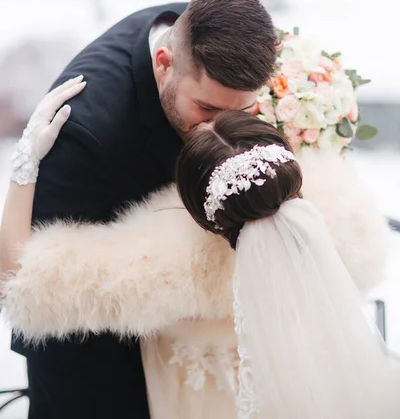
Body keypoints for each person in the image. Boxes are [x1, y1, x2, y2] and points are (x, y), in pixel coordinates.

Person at [1, 85, 398, 418]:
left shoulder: (165, 258)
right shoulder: (341, 208)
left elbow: (18, 281)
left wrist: (25, 164)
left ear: (195, 201)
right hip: (309, 381)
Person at [1, 0, 278, 419]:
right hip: (93, 352)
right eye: (206, 111)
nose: (220, 131)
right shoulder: (85, 132)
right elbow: (26, 279)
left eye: (240, 113)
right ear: (165, 64)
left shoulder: (212, 32)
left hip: (190, 340)